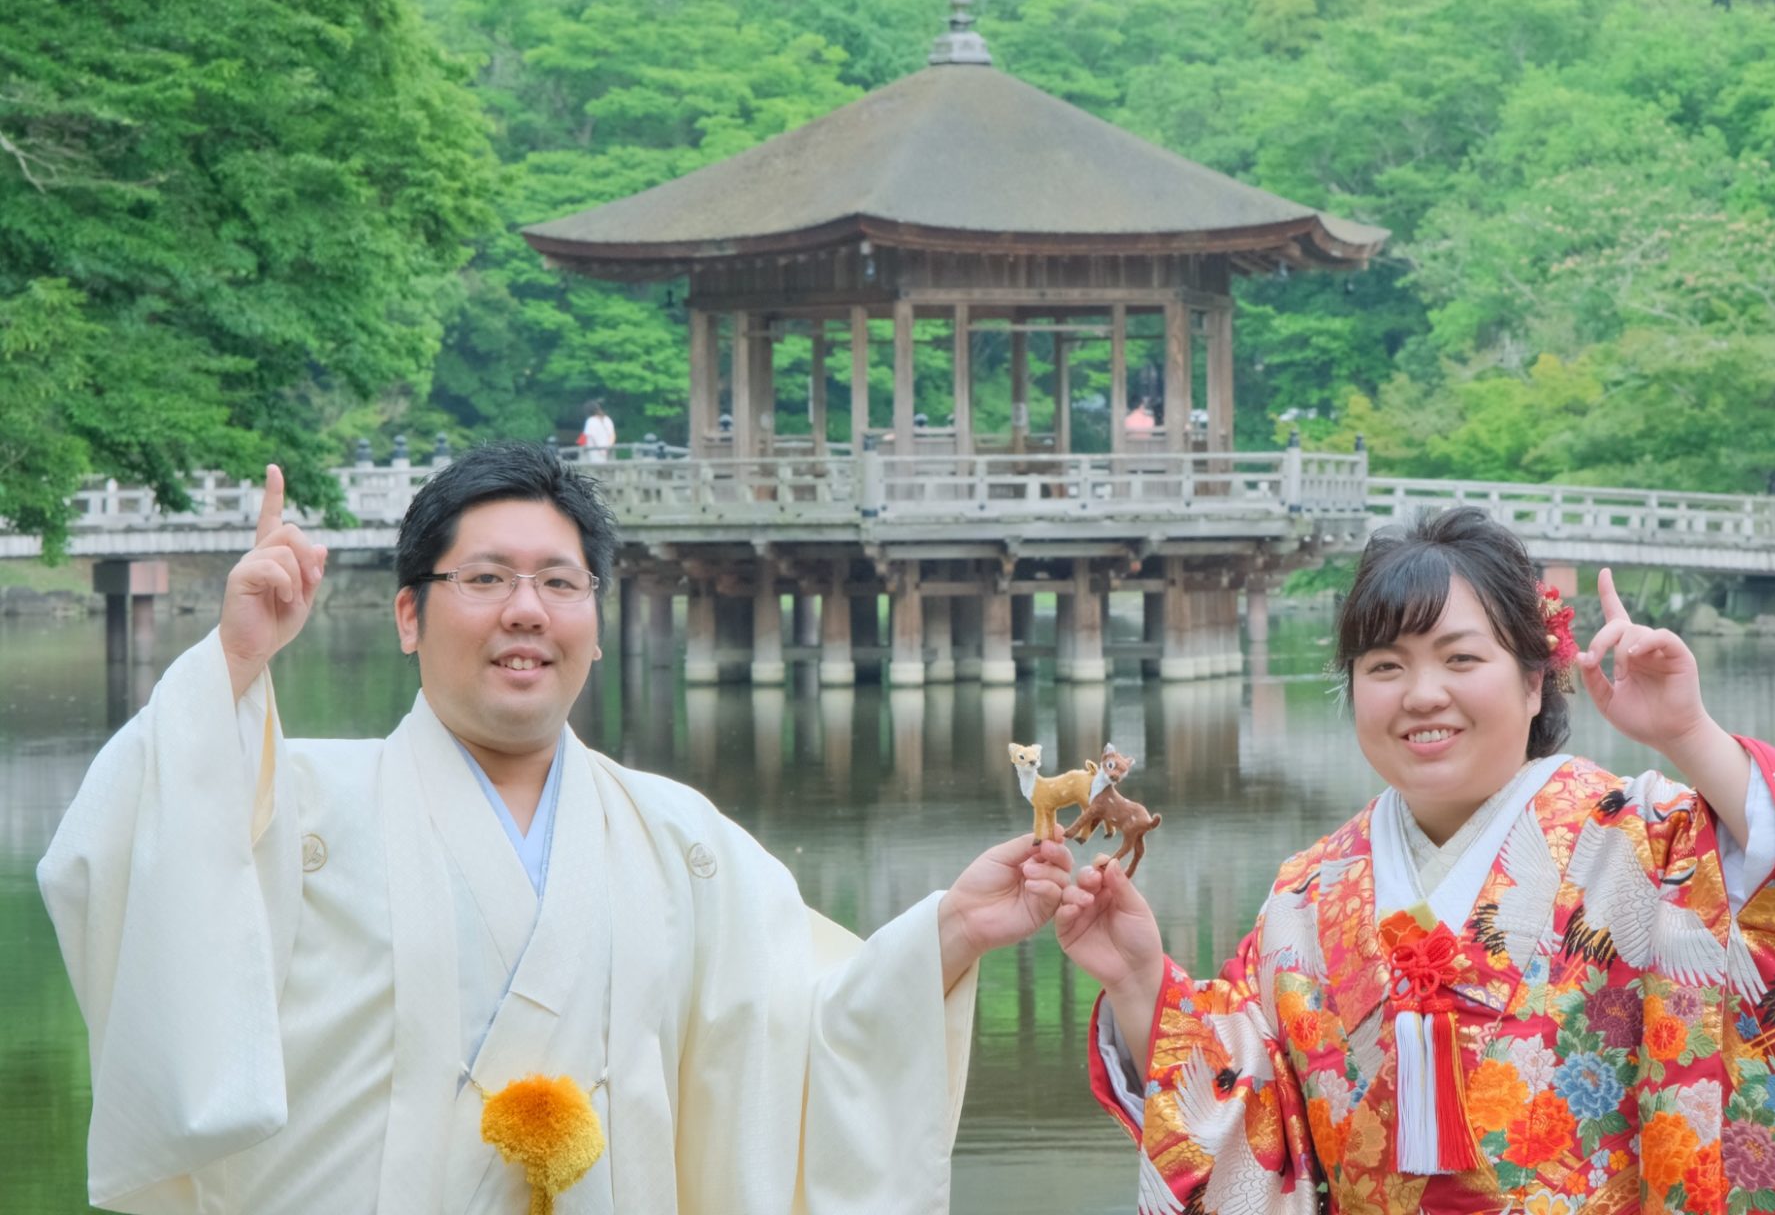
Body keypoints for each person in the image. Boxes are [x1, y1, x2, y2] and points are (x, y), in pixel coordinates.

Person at [40, 443, 1073, 1215]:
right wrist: (230, 661)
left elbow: (801, 1043)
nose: (525, 609)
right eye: (484, 578)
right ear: (410, 614)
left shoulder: (682, 839)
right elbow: (132, 868)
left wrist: (951, 931)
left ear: (596, 616)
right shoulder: (295, 806)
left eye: (560, 582)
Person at [1056, 508, 1775, 1214]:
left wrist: (1689, 736)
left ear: (1536, 681)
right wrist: (1137, 983)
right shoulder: (1306, 899)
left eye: (1462, 659)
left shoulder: (1643, 841)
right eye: (1385, 667)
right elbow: (1255, 1127)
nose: (1423, 695)